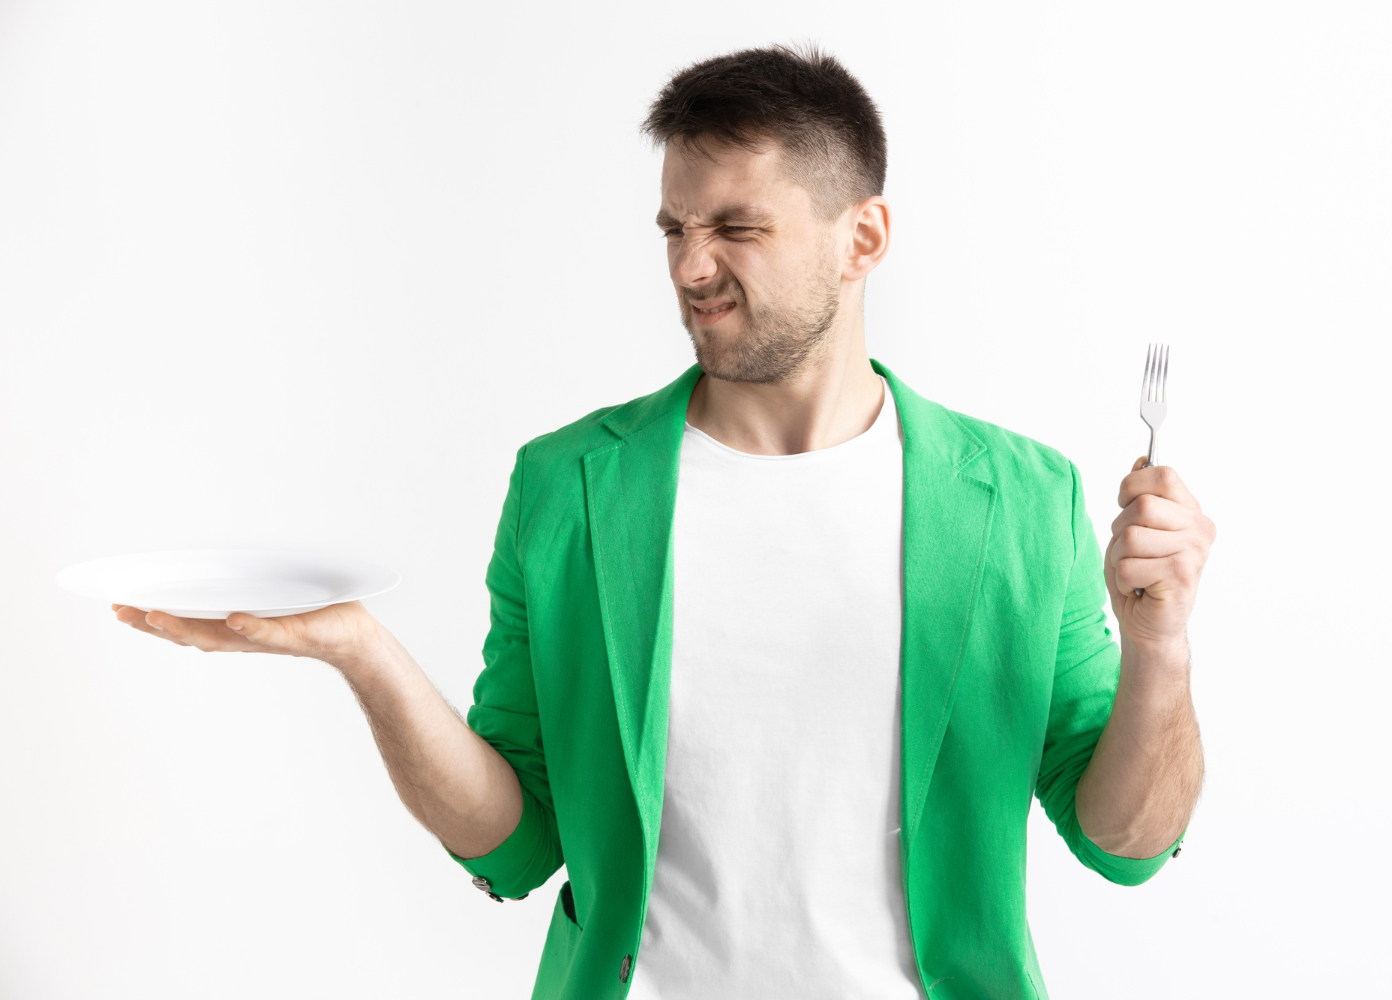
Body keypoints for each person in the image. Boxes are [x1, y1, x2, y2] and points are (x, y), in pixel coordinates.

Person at [115, 42, 1214, 1000]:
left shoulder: (1023, 498)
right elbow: (517, 839)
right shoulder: (569, 486)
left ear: (863, 236)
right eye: (675, 227)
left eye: (737, 227)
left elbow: (1125, 837)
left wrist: (1160, 644)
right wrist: (359, 651)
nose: (692, 267)